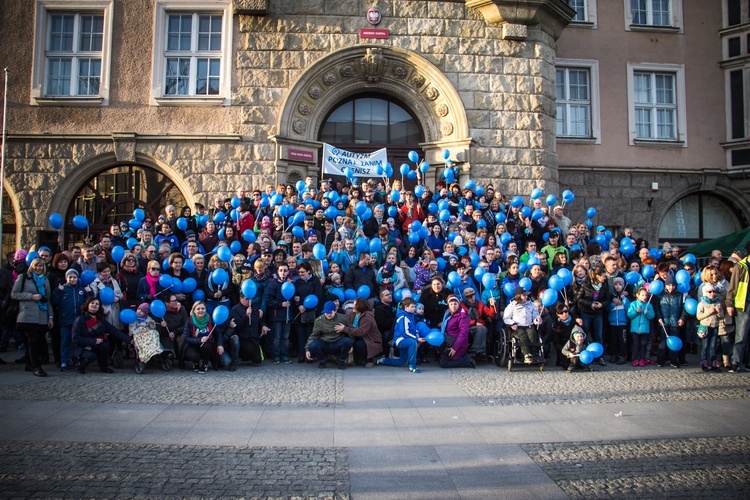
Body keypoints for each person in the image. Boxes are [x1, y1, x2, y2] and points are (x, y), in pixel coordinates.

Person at [11, 257, 54, 377]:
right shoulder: (23, 277)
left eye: (40, 266)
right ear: (32, 266)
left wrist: (50, 317)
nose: (38, 268)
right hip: (27, 315)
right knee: (32, 340)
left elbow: (48, 299)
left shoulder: (45, 280)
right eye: (36, 266)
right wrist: (31, 296)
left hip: (42, 315)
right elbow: (14, 294)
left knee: (38, 341)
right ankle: (36, 366)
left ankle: (29, 364)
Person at [72, 297, 131, 374]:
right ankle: (80, 365)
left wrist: (129, 340)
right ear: (87, 305)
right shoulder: (80, 320)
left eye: (97, 304)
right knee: (91, 356)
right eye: (92, 303)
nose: (94, 305)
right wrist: (94, 341)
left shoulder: (100, 318)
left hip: (96, 344)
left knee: (105, 345)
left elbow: (114, 330)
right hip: (82, 346)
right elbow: (76, 338)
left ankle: (103, 367)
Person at [51, 268, 93, 371]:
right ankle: (64, 361)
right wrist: (57, 291)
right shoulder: (62, 289)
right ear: (66, 278)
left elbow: (89, 303)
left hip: (78, 321)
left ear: (78, 278)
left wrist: (89, 293)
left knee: (76, 342)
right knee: (65, 341)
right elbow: (54, 302)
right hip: (65, 320)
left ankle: (76, 360)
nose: (72, 279)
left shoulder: (81, 290)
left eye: (74, 277)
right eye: (70, 277)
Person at [221, 292, 268, 370]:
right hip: (242, 338)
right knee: (247, 348)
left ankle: (249, 355)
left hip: (253, 338)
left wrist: (263, 325)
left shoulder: (255, 308)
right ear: (241, 298)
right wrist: (246, 316)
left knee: (258, 360)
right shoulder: (235, 309)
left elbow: (260, 320)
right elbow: (237, 325)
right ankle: (236, 360)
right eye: (247, 299)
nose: (249, 301)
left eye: (250, 299)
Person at [377, 297, 424, 372]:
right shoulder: (403, 317)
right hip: (400, 340)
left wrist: (417, 333)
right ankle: (412, 365)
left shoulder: (410, 315)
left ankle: (384, 361)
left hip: (406, 339)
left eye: (414, 306)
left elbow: (413, 328)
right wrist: (416, 338)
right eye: (412, 307)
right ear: (406, 307)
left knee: (403, 363)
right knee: (413, 343)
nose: (414, 308)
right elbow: (404, 332)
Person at [335, 297, 383, 367]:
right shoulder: (352, 314)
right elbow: (347, 323)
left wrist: (344, 328)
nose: (353, 306)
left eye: (355, 305)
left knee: (359, 344)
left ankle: (368, 360)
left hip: (370, 340)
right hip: (358, 337)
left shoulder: (368, 317)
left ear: (360, 306)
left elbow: (361, 332)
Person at [305, 301, 353, 369]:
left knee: (348, 341)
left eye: (330, 313)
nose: (328, 315)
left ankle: (341, 360)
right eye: (326, 313)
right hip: (325, 342)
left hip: (338, 341)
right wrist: (307, 349)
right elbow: (313, 335)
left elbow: (352, 331)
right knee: (313, 345)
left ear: (335, 310)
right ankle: (322, 360)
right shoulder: (319, 321)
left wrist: (345, 329)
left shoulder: (343, 318)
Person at [724, 244, 750, 373]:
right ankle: (735, 362)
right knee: (741, 335)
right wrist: (729, 304)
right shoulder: (741, 267)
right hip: (744, 305)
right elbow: (732, 287)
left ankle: (747, 362)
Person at [503, 289, 542, 363]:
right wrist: (512, 324)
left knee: (532, 334)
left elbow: (535, 315)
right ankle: (526, 354)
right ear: (518, 296)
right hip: (517, 327)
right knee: (522, 335)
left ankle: (533, 353)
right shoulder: (512, 306)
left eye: (527, 295)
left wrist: (537, 320)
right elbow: (506, 318)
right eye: (524, 295)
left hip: (528, 326)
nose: (526, 296)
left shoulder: (531, 304)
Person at [182, 301, 221, 374]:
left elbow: (218, 332)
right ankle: (196, 363)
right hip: (192, 345)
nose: (201, 310)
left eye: (203, 308)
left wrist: (220, 344)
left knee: (207, 345)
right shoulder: (190, 320)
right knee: (194, 356)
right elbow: (186, 337)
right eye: (198, 309)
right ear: (194, 310)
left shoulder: (210, 319)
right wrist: (199, 339)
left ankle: (205, 364)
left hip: (207, 345)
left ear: (206, 310)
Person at [439, 294, 475, 369]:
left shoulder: (462, 316)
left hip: (458, 344)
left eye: (455, 304)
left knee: (443, 363)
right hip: (449, 342)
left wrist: (455, 348)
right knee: (441, 360)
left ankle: (467, 360)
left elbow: (463, 333)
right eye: (451, 304)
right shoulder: (448, 314)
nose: (453, 306)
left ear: (459, 304)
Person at [656, 275, 684, 368]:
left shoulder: (680, 295)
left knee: (674, 342)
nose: (671, 287)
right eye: (669, 285)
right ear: (665, 285)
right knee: (662, 342)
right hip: (663, 322)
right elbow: (657, 307)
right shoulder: (660, 294)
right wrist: (659, 317)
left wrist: (683, 318)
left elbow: (684, 308)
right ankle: (660, 360)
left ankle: (674, 360)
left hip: (675, 322)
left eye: (673, 285)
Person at [696, 283, 723, 372]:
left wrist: (719, 312)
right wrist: (709, 312)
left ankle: (713, 362)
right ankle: (704, 362)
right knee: (705, 345)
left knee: (713, 345)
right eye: (709, 292)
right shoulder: (702, 303)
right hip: (705, 327)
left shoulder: (717, 302)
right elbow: (699, 316)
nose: (712, 293)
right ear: (705, 293)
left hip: (715, 326)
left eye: (713, 291)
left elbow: (721, 316)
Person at [627, 286, 655, 367]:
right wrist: (636, 312)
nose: (644, 297)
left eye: (646, 295)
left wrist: (647, 313)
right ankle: (635, 359)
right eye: (642, 295)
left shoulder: (648, 305)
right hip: (635, 329)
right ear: (637, 295)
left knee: (643, 344)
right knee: (636, 344)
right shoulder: (633, 304)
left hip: (644, 329)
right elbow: (629, 315)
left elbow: (652, 316)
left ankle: (642, 358)